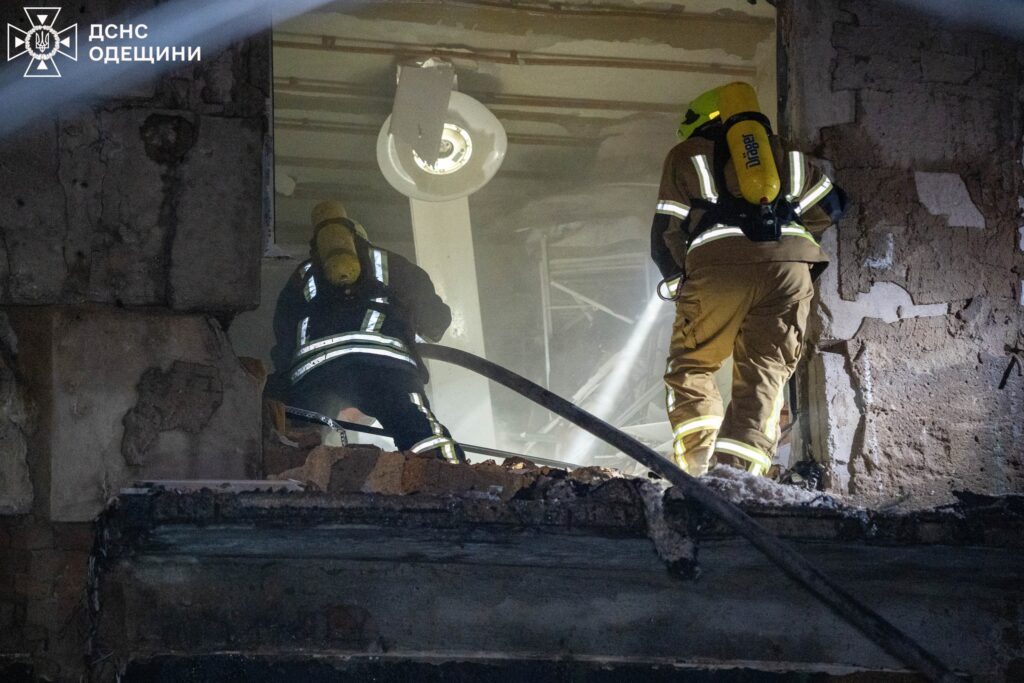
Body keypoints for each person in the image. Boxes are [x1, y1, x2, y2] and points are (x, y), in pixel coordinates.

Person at [650, 82, 846, 476]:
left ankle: (698, 470)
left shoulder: (685, 155)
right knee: (765, 369)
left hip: (717, 269)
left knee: (693, 367)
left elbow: (666, 233)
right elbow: (832, 207)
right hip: (789, 271)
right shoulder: (786, 154)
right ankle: (738, 477)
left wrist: (681, 282)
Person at [269, 200, 465, 463]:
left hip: (315, 375)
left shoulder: (301, 275)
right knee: (421, 433)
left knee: (298, 444)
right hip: (385, 369)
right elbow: (436, 322)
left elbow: (283, 343)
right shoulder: (393, 263)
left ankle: (289, 490)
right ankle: (454, 483)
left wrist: (287, 388)